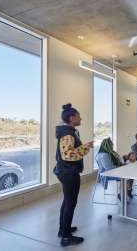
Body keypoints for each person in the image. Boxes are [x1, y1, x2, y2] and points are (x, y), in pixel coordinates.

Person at [54, 103, 93, 247]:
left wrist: (84, 146)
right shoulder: (67, 134)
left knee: (67, 201)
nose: (80, 118)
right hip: (68, 172)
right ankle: (66, 237)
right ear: (72, 118)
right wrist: (86, 147)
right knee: (70, 203)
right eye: (78, 116)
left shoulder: (70, 132)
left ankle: (63, 229)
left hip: (66, 171)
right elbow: (68, 155)